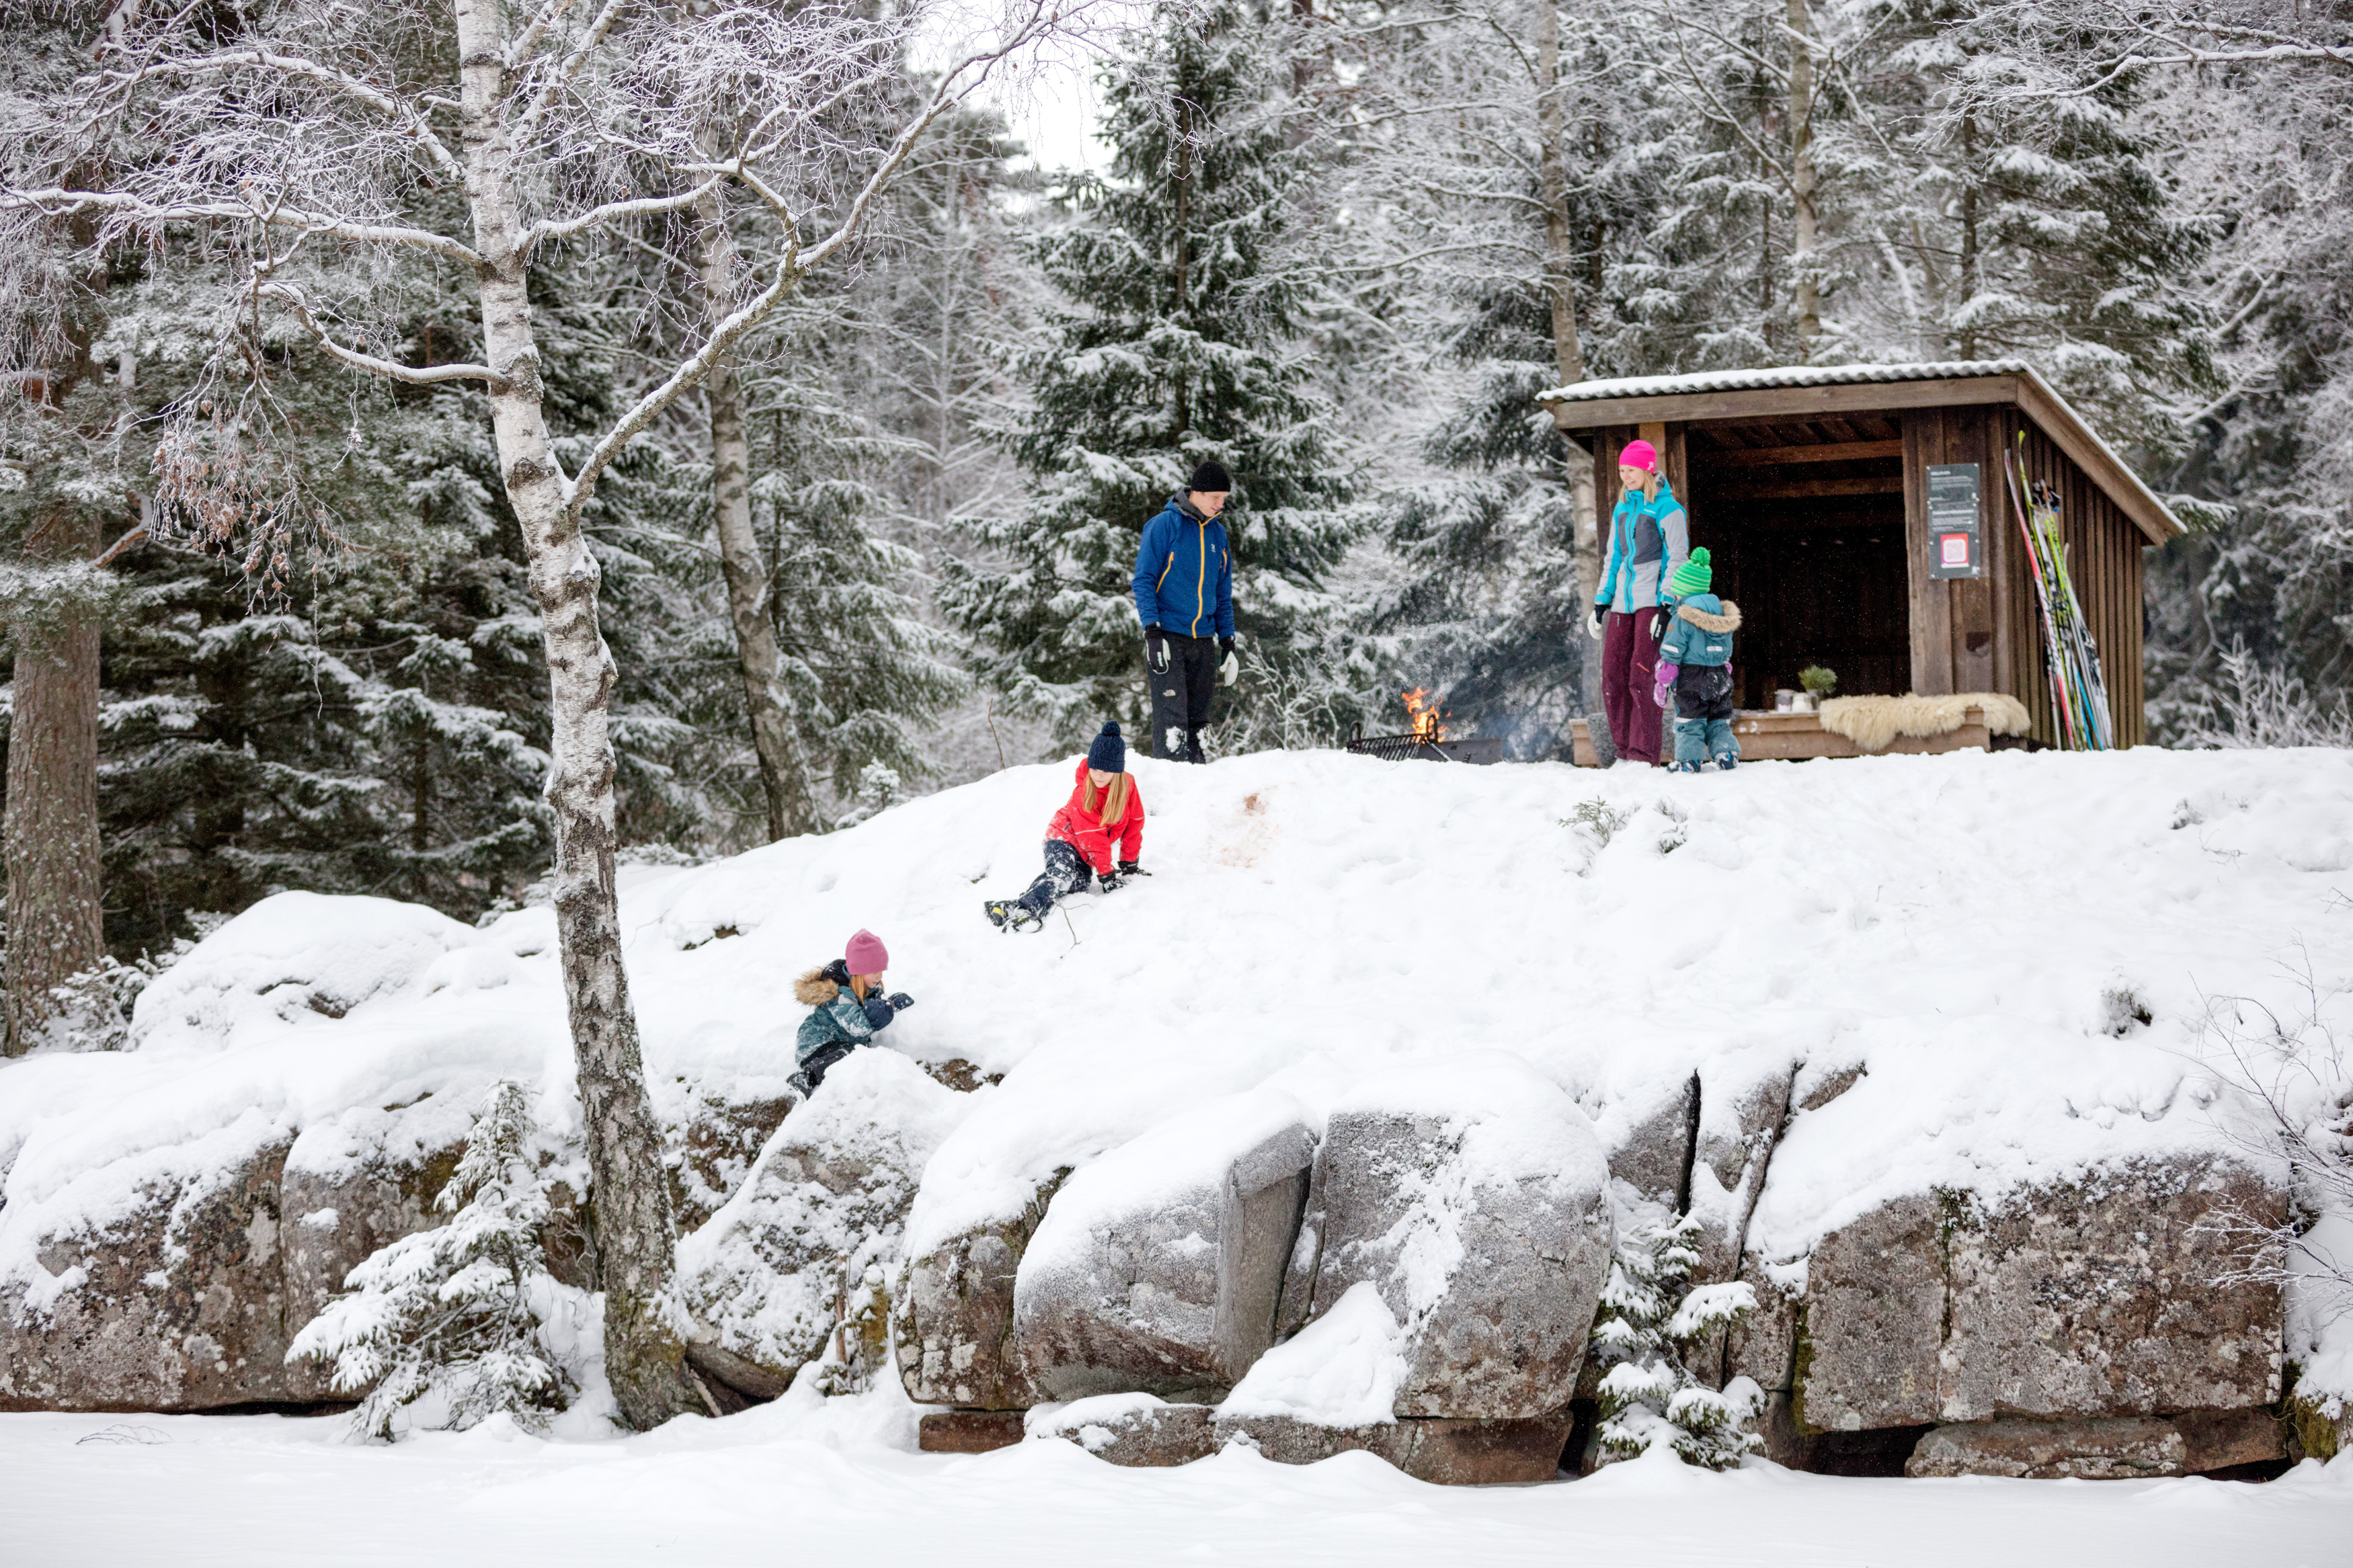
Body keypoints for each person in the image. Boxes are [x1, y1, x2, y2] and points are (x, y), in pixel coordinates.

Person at [984, 722, 1146, 933]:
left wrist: (1129, 864)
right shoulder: (1084, 793)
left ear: (1117, 771)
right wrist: (1107, 874)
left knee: (1076, 887)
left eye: (1105, 771)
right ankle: (1023, 908)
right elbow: (1093, 838)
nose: (1098, 775)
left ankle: (1012, 906)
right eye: (1094, 768)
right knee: (1061, 875)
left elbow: (1134, 825)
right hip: (1063, 838)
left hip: (1085, 853)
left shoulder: (1128, 787)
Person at [1585, 439, 1688, 765]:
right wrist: (1601, 602)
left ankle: (1644, 756)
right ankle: (1624, 754)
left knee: (1641, 676)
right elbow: (1614, 557)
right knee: (1613, 677)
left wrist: (1665, 605)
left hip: (1652, 602)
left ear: (1647, 470)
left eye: (1630, 470)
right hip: (1621, 603)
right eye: (1621, 471)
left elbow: (1677, 559)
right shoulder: (1622, 508)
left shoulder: (1669, 510)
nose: (1625, 477)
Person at [1133, 460, 1240, 764]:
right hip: (1168, 637)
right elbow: (1143, 580)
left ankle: (1196, 796)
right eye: (1214, 498)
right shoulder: (1164, 526)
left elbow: (1222, 592)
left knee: (1198, 726)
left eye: (1224, 498)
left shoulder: (1217, 535)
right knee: (1172, 726)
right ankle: (1169, 800)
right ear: (1196, 492)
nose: (1220, 505)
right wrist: (1152, 633)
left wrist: (1228, 641)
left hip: (1204, 641)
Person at [790, 928, 912, 1097]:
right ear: (858, 971)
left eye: (882, 970)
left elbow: (870, 1011)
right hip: (817, 1043)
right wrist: (881, 1012)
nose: (879, 976)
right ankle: (806, 1079)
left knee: (852, 1055)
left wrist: (890, 1006)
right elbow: (859, 1027)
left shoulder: (868, 987)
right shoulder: (840, 995)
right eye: (874, 971)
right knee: (846, 1055)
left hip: (839, 1041)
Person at [1652, 547, 1742, 773]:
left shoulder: (1683, 616)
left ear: (1684, 589)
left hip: (1692, 676)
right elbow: (1726, 649)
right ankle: (1726, 754)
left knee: (1690, 719)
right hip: (1719, 674)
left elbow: (1672, 650)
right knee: (1718, 717)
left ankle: (1690, 760)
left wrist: (1663, 681)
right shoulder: (1721, 615)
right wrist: (1723, 667)